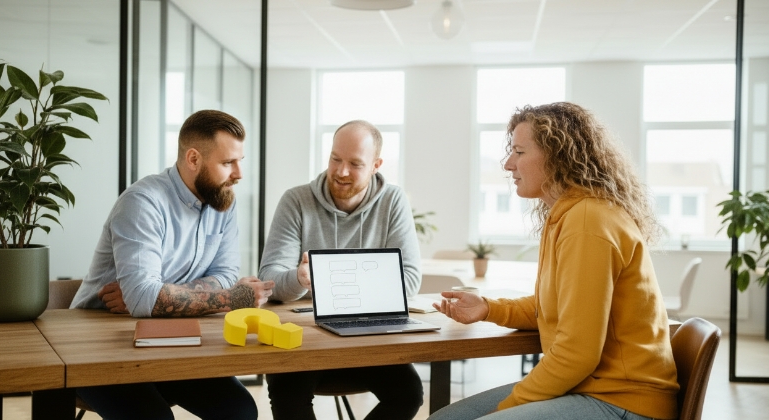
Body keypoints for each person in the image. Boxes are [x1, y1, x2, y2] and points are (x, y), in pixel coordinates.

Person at [428, 102, 679, 420]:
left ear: (558, 156)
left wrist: (506, 408)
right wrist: (488, 308)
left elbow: (577, 353)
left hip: (623, 400)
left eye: (519, 152)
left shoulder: (588, 221)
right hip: (589, 388)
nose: (508, 164)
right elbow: (557, 307)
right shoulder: (566, 215)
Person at [70, 109, 275, 420]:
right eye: (227, 163)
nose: (238, 174)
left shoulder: (222, 201)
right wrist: (234, 298)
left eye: (239, 161)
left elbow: (225, 274)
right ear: (193, 159)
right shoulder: (142, 202)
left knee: (240, 411)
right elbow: (149, 298)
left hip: (170, 340)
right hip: (100, 347)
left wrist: (155, 297)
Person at [259, 119, 424, 420]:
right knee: (286, 390)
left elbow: (409, 280)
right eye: (335, 159)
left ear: (376, 165)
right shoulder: (296, 201)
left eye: (355, 164)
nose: (341, 171)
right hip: (305, 339)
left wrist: (333, 278)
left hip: (368, 339)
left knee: (409, 394)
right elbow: (270, 279)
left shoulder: (392, 201)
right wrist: (299, 279)